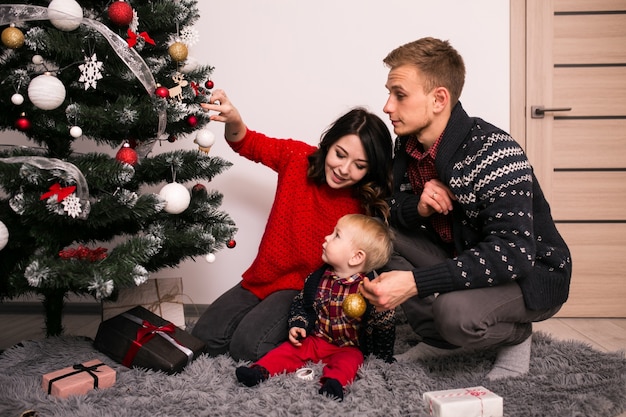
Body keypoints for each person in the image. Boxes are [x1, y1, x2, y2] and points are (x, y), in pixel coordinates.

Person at [360, 37, 572, 380]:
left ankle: (517, 333)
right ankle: (440, 340)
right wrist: (421, 208)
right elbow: (393, 208)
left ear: (439, 99)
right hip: (465, 257)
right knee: (374, 233)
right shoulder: (407, 147)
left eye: (399, 95)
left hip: (531, 273)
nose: (387, 106)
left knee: (453, 314)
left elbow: (514, 253)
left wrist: (415, 283)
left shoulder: (494, 151)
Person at [191, 89, 394, 362]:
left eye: (359, 165)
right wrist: (234, 119)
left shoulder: (363, 202)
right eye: (340, 154)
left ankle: (314, 338)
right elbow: (247, 143)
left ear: (370, 170)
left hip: (304, 291)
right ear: (328, 144)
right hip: (262, 276)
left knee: (247, 348)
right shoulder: (297, 158)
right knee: (204, 338)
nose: (344, 169)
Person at [235, 213, 395, 401]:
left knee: (350, 362)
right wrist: (298, 324)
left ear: (356, 257)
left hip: (348, 346)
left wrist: (384, 318)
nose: (327, 237)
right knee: (288, 350)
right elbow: (301, 303)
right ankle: (259, 371)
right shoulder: (317, 278)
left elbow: (383, 332)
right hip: (317, 340)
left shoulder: (368, 289)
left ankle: (333, 383)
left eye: (336, 235)